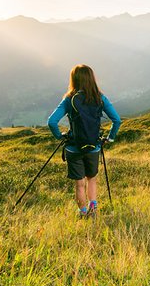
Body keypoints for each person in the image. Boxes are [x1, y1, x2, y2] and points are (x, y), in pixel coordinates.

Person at [47, 64, 121, 218]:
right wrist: (110, 138)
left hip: (74, 148)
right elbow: (117, 120)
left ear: (74, 79)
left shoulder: (69, 99)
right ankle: (93, 212)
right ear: (91, 79)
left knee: (79, 184)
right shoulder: (100, 98)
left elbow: (52, 121)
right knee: (92, 180)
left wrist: (60, 136)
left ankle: (82, 213)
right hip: (94, 146)